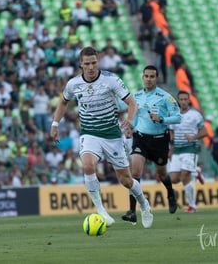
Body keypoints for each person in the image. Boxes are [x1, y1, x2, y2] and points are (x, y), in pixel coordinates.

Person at [50, 47, 153, 229]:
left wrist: (129, 120)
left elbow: (131, 102)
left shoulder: (111, 80)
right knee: (88, 165)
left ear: (98, 62)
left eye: (94, 63)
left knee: (126, 181)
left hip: (112, 135)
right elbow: (64, 102)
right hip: (89, 133)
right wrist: (55, 124)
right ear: (81, 64)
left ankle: (144, 204)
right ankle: (101, 210)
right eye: (87, 64)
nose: (91, 67)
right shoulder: (73, 84)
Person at [122, 65, 181, 224]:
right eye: (146, 76)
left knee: (161, 174)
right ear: (142, 77)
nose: (148, 79)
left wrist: (162, 120)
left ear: (157, 78)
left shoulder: (165, 97)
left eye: (152, 76)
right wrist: (130, 127)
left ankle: (170, 193)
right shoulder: (137, 96)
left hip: (159, 140)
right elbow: (135, 116)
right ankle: (132, 211)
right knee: (135, 172)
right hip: (141, 138)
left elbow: (178, 117)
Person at [168, 91, 207, 213]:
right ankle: (196, 171)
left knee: (184, 176)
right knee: (174, 179)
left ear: (189, 100)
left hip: (190, 148)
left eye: (186, 99)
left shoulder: (195, 115)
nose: (183, 101)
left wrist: (193, 137)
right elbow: (171, 131)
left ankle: (192, 206)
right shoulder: (174, 115)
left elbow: (205, 132)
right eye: (181, 99)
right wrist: (171, 147)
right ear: (178, 101)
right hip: (177, 150)